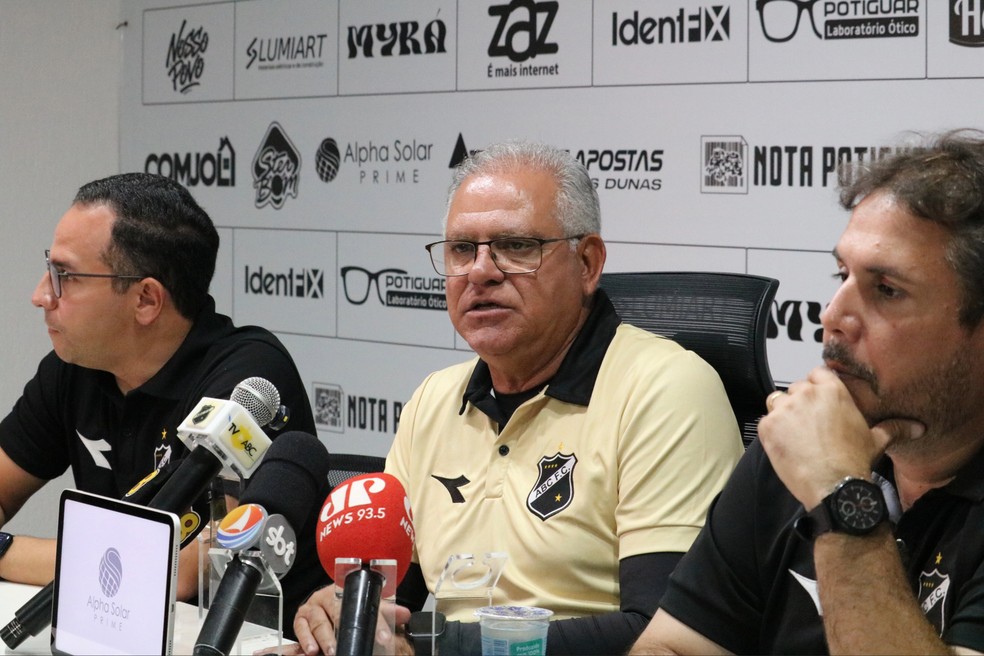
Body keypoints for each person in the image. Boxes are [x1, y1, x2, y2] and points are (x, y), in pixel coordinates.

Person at [293, 141, 743, 655]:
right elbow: (393, 603)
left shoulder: (666, 389)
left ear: (587, 263)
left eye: (515, 246)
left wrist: (430, 646)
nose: (480, 271)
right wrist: (341, 615)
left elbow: (666, 637)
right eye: (462, 249)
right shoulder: (433, 400)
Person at [631, 129, 984, 654]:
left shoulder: (820, 464)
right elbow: (671, 646)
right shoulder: (798, 444)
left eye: (887, 290)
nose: (832, 316)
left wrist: (841, 497)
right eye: (841, 275)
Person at [0, 173, 322, 622]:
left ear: (146, 300)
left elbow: (180, 570)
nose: (40, 295)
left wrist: (4, 550)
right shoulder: (76, 366)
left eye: (65, 276)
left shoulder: (249, 380)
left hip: (253, 639)